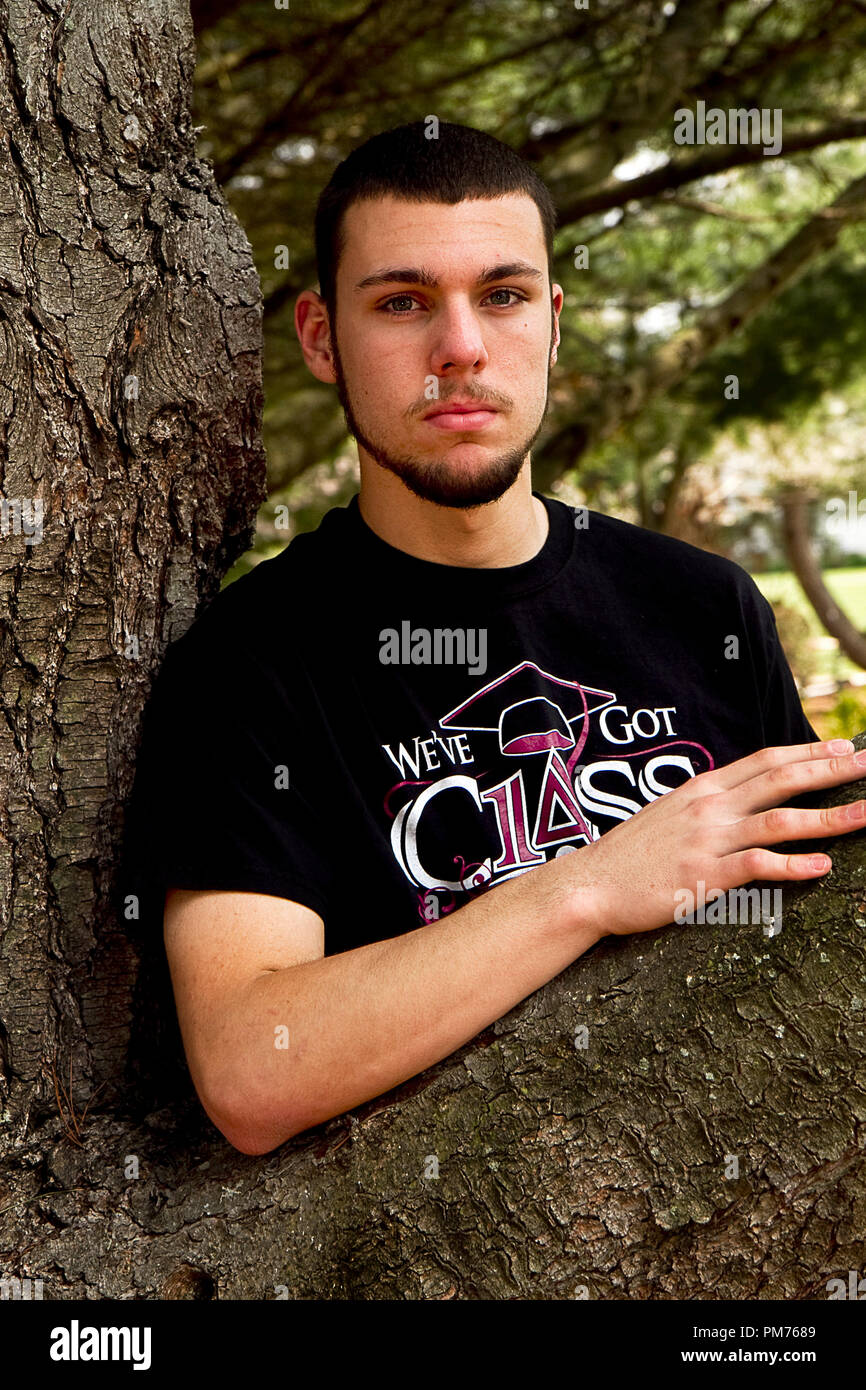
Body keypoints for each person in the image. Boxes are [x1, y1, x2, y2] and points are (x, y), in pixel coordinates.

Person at [122, 121, 866, 1156]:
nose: (460, 347)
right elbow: (251, 1063)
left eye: (503, 295)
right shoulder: (250, 662)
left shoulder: (702, 606)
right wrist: (586, 886)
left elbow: (815, 920)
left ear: (552, 323)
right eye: (401, 302)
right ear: (319, 336)